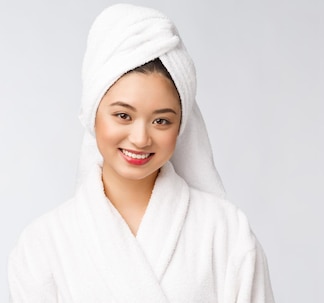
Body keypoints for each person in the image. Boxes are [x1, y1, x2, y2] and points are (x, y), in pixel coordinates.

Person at [7, 4, 274, 302]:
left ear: (181, 125)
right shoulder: (42, 245)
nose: (140, 138)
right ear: (93, 113)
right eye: (123, 115)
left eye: (162, 121)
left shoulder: (226, 232)